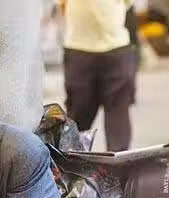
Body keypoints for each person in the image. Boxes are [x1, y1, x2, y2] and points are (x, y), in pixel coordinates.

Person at [58, 0, 137, 152]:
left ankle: (118, 165)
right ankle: (72, 162)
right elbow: (63, 6)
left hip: (116, 47)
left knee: (118, 115)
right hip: (78, 48)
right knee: (79, 115)